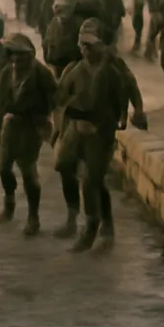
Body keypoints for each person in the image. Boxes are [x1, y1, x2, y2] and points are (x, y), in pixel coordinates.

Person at [54, 21, 126, 252]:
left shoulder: (111, 70)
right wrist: (59, 128)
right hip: (76, 126)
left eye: (90, 46)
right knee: (63, 165)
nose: (85, 50)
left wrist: (124, 117)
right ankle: (72, 215)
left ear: (101, 47)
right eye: (82, 45)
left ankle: (96, 227)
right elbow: (60, 97)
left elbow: (122, 96)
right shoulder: (74, 69)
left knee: (93, 180)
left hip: (101, 129)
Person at [0, 33, 57, 236]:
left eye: (22, 55)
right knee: (3, 168)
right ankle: (9, 204)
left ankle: (33, 217)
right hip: (11, 123)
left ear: (30, 55)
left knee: (28, 171)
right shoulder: (5, 74)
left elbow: (55, 98)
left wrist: (47, 124)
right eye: (14, 55)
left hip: (31, 126)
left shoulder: (41, 74)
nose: (17, 60)